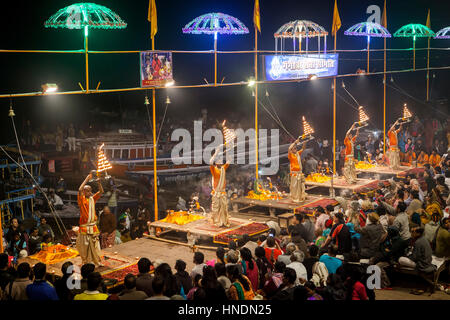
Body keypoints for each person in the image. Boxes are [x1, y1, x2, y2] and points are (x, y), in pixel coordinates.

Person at [76, 172, 104, 266]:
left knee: (96, 247)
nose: (90, 192)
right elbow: (80, 189)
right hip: (85, 228)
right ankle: (87, 262)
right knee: (85, 247)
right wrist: (87, 179)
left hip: (93, 227)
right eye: (88, 191)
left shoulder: (92, 199)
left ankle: (96, 261)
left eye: (91, 190)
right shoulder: (82, 200)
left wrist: (99, 183)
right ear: (84, 192)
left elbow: (101, 192)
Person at [209, 144, 230, 227]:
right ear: (216, 162)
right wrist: (217, 152)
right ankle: (216, 222)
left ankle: (224, 222)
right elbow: (210, 162)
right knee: (216, 208)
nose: (220, 161)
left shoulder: (223, 168)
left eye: (221, 160)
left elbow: (229, 161)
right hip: (216, 192)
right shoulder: (214, 169)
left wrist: (227, 152)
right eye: (219, 160)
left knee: (224, 208)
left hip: (222, 192)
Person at [288, 138, 307, 202]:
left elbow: (303, 148)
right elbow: (289, 149)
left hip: (300, 173)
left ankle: (300, 197)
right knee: (294, 187)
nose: (296, 149)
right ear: (292, 150)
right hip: (294, 174)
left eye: (296, 148)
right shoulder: (290, 155)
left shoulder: (298, 154)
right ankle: (294, 198)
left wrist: (304, 142)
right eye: (294, 148)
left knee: (301, 187)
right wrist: (295, 142)